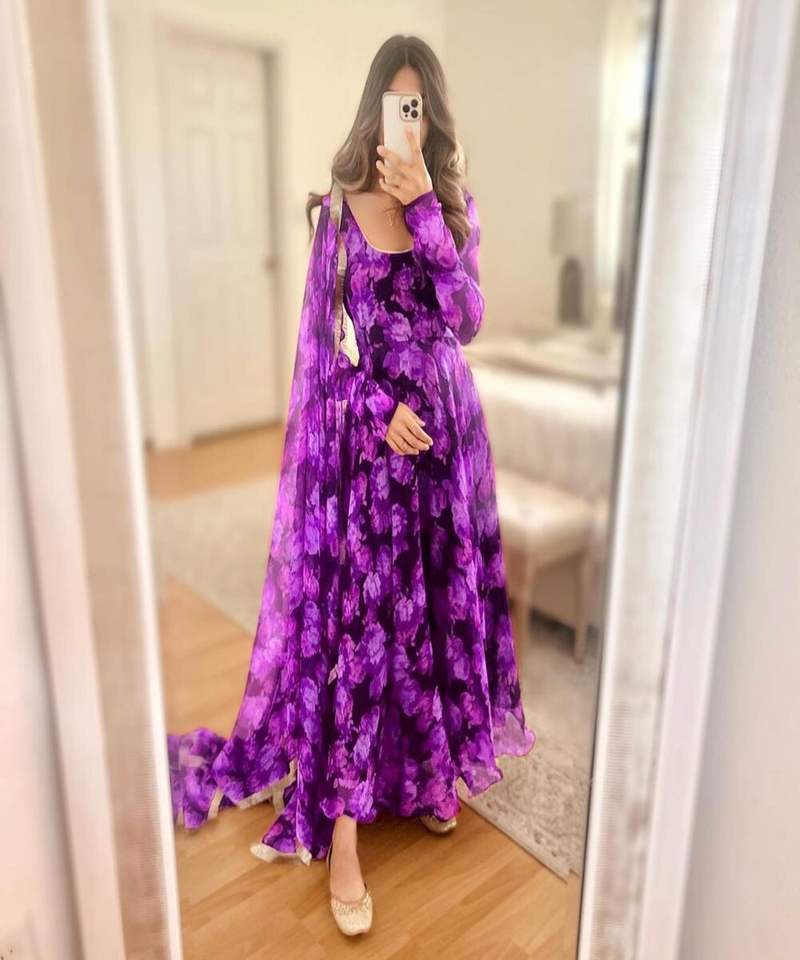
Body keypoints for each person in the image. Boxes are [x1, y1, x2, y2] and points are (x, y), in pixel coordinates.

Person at [168, 34, 535, 938]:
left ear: (432, 120)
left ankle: (430, 772)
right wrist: (377, 411)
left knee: (438, 608)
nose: (406, 122)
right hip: (369, 450)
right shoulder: (335, 212)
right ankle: (340, 831)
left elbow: (466, 320)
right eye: (394, 104)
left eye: (420, 108)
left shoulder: (454, 209)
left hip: (446, 442)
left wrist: (428, 213)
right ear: (373, 109)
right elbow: (322, 352)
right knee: (364, 626)